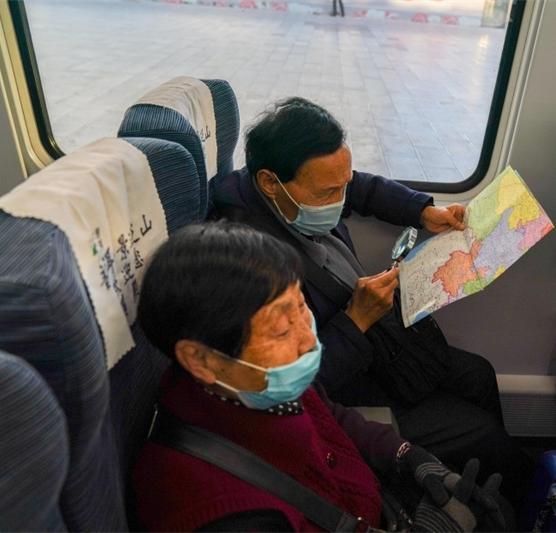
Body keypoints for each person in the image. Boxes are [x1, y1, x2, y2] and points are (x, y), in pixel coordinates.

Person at [208, 97, 535, 512]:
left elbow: (360, 186)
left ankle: (497, 496)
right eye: (330, 191)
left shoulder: (286, 193)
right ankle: (519, 507)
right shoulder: (254, 265)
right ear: (271, 182)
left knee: (480, 375)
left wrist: (422, 211)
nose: (341, 198)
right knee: (482, 435)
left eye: (341, 185)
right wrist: (355, 321)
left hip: (379, 348)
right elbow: (296, 388)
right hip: (347, 385)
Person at [132, 221, 512, 531]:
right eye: (281, 330)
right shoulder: (220, 511)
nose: (306, 338)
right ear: (201, 359)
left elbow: (330, 416)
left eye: (301, 308)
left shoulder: (253, 383)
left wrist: (406, 456)